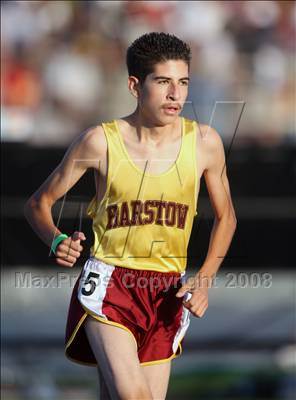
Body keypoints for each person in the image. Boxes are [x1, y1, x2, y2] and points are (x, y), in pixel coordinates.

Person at [24, 32, 237, 400]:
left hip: (168, 289)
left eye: (183, 82)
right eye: (164, 82)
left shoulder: (205, 143)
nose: (176, 95)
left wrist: (205, 278)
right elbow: (38, 204)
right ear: (135, 86)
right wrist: (56, 239)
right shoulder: (100, 142)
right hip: (111, 284)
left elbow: (227, 217)